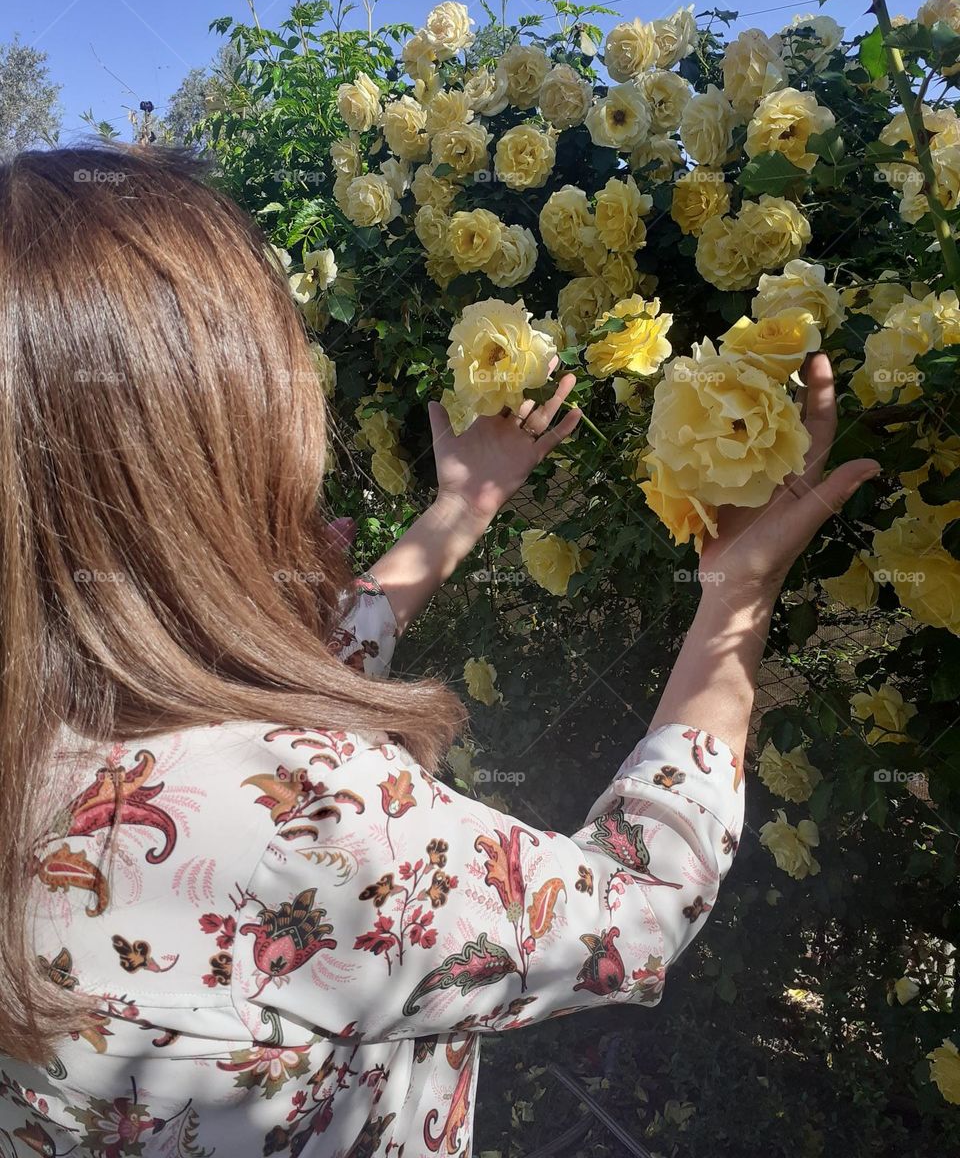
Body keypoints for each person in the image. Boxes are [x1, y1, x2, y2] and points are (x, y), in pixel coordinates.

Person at [0, 146, 878, 1158]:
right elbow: (637, 909)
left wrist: (463, 507)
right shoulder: (317, 826)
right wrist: (737, 593)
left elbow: (237, 680)